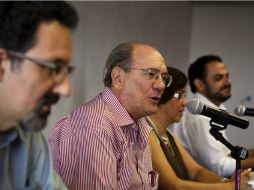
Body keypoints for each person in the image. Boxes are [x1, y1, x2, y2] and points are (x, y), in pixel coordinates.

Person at [49, 42, 172, 189]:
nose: (161, 86)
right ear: (118, 78)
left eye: (164, 77)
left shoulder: (140, 124)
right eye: (151, 74)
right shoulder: (94, 127)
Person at [0, 2, 79, 189]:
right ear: (2, 64)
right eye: (53, 68)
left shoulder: (28, 137)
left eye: (65, 70)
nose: (66, 90)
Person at [147, 66, 249, 189]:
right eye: (180, 96)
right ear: (161, 96)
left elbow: (196, 172)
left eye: (185, 96)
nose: (185, 102)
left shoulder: (168, 134)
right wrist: (230, 187)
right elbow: (174, 186)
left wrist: (225, 182)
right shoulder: (148, 133)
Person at [171, 55, 254, 177]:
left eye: (227, 77)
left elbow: (225, 155)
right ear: (200, 84)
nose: (228, 82)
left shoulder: (216, 109)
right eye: (219, 78)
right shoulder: (200, 116)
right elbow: (220, 168)